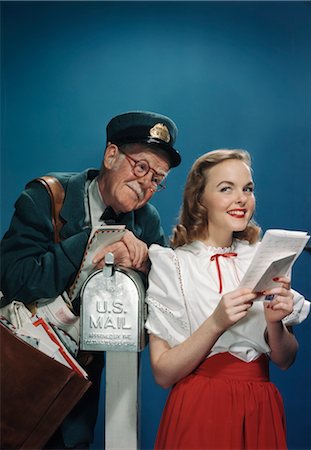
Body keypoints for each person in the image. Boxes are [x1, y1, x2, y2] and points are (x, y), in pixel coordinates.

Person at [1, 110, 181, 449]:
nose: (147, 183)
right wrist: (91, 240)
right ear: (111, 155)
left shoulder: (146, 220)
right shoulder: (47, 196)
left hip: (81, 386)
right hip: (20, 370)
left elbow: (167, 297)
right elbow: (15, 278)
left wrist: (144, 267)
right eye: (141, 166)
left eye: (158, 178)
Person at [145, 149, 310, 450]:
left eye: (247, 189)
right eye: (226, 189)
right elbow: (163, 373)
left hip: (260, 406)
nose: (241, 199)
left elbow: (285, 360)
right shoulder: (174, 265)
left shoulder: (267, 257)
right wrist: (216, 323)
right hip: (200, 410)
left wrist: (275, 325)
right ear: (200, 200)